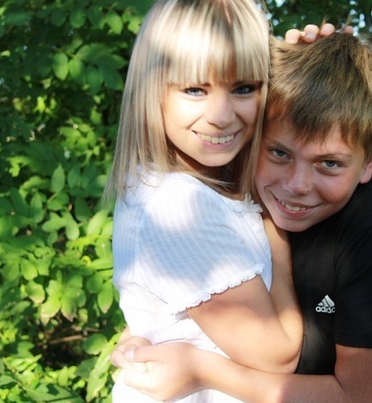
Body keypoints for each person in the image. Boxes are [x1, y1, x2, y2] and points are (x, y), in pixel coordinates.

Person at [111, 33, 372, 402]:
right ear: (253, 136)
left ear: (370, 160)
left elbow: (363, 399)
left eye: (329, 164)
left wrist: (203, 370)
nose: (296, 185)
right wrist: (156, 334)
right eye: (279, 153)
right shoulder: (245, 201)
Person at [106, 0, 304, 401]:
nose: (221, 115)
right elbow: (279, 356)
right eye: (195, 89)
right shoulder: (179, 206)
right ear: (151, 90)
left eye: (243, 88)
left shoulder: (179, 182)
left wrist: (310, 69)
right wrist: (278, 237)